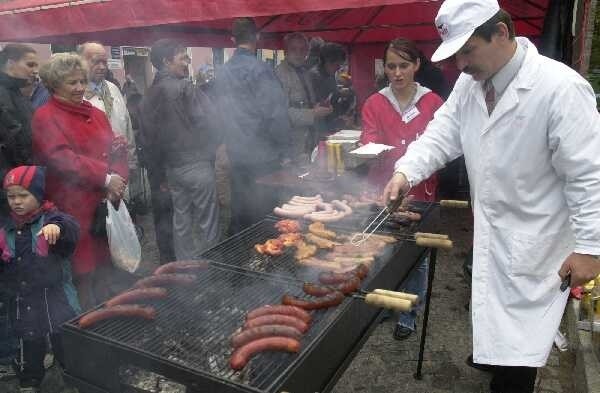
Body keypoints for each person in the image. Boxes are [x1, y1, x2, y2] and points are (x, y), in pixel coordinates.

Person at [382, 1, 600, 392]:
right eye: (457, 54)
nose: (461, 64)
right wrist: (406, 170)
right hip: (492, 232)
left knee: (520, 354)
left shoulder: (560, 89)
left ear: (501, 33)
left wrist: (590, 246)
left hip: (538, 242)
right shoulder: (471, 85)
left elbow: (589, 174)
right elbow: (441, 131)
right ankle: (495, 359)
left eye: (468, 50)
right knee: (494, 320)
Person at [360, 38, 444, 340]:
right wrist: (371, 149)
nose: (396, 73)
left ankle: (408, 313)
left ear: (417, 65)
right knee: (383, 249)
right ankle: (384, 305)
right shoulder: (374, 102)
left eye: (404, 66)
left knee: (415, 256)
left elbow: (442, 147)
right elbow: (369, 138)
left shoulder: (433, 102)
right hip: (382, 188)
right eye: (391, 66)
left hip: (421, 191)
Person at [32, 53, 130, 310]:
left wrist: (118, 180)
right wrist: (105, 177)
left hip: (104, 203)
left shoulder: (96, 113)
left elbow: (116, 149)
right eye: (72, 83)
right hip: (73, 207)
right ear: (54, 85)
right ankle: (85, 324)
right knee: (83, 271)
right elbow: (60, 158)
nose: (79, 88)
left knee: (107, 267)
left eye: (82, 81)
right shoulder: (45, 116)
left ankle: (111, 318)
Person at [1, 165, 80, 391]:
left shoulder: (51, 218)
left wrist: (58, 228)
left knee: (63, 340)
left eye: (23, 195)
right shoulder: (5, 228)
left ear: (37, 194)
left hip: (56, 299)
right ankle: (29, 380)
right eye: (11, 196)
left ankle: (73, 377)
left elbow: (71, 228)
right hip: (23, 301)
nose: (16, 201)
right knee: (28, 344)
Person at [140, 39, 220, 261]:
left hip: (171, 169)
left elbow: (147, 139)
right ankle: (210, 270)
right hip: (196, 164)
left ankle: (185, 270)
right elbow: (211, 123)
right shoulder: (186, 87)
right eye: (183, 57)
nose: (188, 61)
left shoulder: (149, 93)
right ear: (166, 61)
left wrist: (159, 172)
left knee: (181, 222)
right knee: (207, 221)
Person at [215, 18, 291, 233]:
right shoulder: (262, 70)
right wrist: (285, 151)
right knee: (265, 213)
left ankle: (240, 256)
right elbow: (276, 114)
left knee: (241, 209)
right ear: (257, 37)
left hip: (236, 153)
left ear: (232, 40)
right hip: (263, 156)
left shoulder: (222, 72)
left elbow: (219, 113)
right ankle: (263, 254)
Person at [78, 43, 139, 201]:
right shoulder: (75, 94)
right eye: (95, 61)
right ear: (80, 61)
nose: (102, 67)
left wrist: (131, 163)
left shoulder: (113, 89)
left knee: (121, 218)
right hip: (93, 177)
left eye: (104, 62)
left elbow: (126, 127)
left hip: (120, 172)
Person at [276, 33, 333, 164]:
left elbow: (306, 104)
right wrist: (313, 113)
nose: (298, 53)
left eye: (302, 50)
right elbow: (280, 114)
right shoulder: (279, 75)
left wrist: (320, 107)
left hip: (308, 143)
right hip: (290, 148)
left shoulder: (304, 73)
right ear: (286, 51)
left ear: (307, 51)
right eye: (294, 49)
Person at [0, 44, 39, 215]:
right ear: (10, 63)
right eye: (30, 65)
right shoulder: (3, 94)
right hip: (11, 185)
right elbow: (14, 141)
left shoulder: (15, 91)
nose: (35, 70)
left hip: (17, 182)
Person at [308, 42, 348, 138]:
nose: (339, 68)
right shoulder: (314, 76)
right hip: (318, 130)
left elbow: (331, 97)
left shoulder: (329, 75)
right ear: (327, 61)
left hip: (329, 127)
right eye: (337, 64)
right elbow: (318, 105)